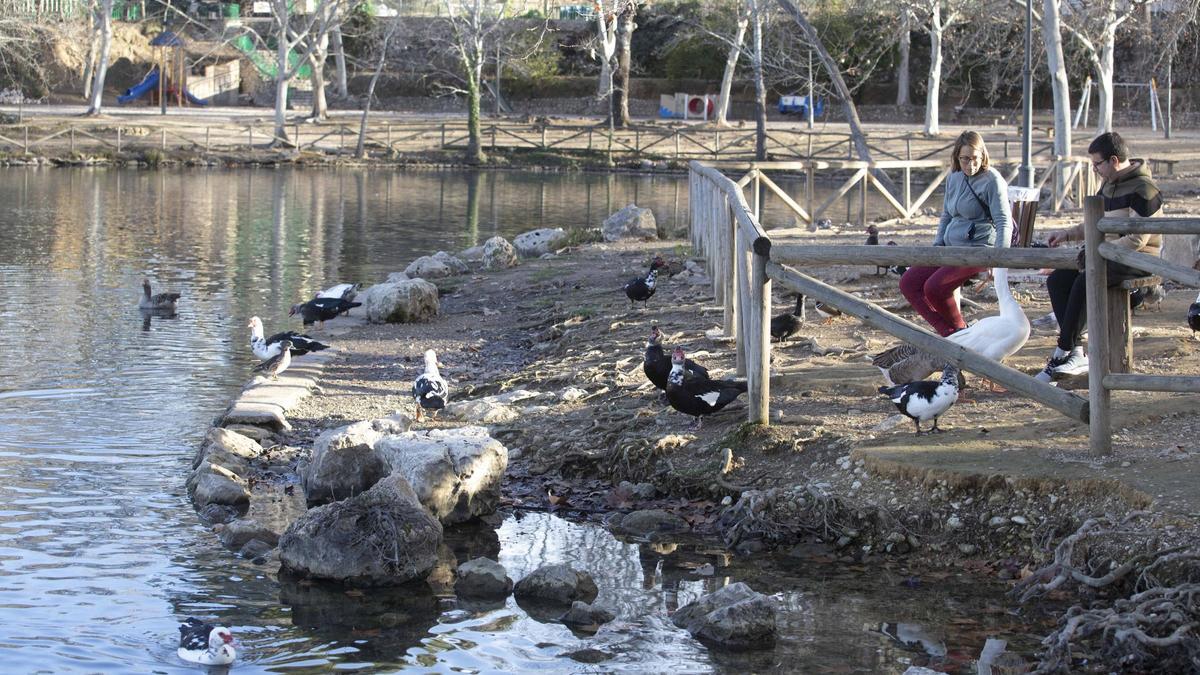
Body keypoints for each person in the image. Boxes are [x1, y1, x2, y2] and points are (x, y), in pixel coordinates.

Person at [1035, 131, 1163, 382]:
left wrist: (1097, 253)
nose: (1094, 169)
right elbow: (1095, 223)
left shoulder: (1144, 189)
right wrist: (1067, 234)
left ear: (1114, 160)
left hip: (1138, 260)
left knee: (1086, 278)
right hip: (1105, 256)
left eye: (1097, 164)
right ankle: (1077, 351)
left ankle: (1062, 351)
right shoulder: (1108, 185)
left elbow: (1139, 240)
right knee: (1058, 280)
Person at [900, 131, 1013, 336]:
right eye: (965, 159)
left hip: (979, 248)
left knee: (934, 288)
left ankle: (959, 332)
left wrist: (998, 260)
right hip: (950, 247)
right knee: (909, 282)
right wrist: (937, 246)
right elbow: (946, 215)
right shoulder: (954, 177)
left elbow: (1003, 221)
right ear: (956, 157)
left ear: (983, 156)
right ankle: (951, 333)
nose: (970, 164)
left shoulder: (992, 180)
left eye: (975, 159)